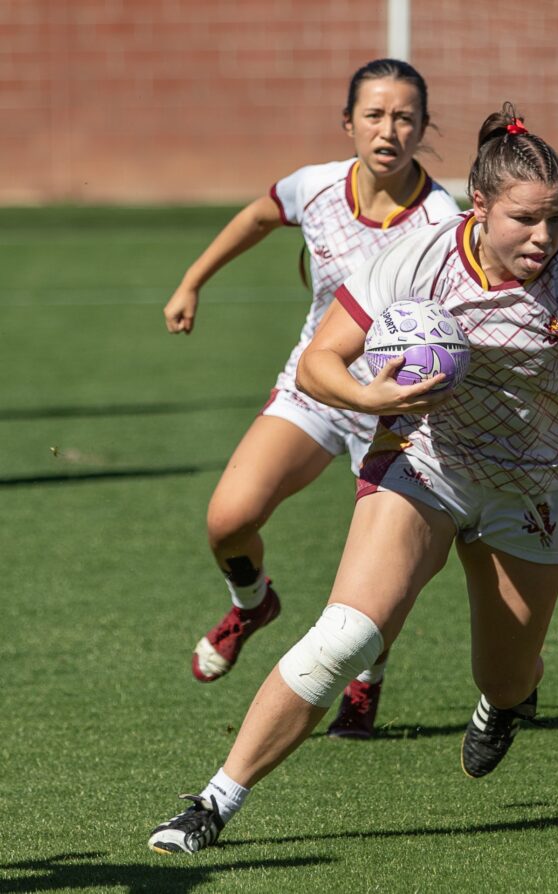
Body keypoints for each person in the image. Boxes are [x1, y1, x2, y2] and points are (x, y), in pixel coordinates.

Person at [146, 105, 558, 854]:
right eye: (525, 219)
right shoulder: (416, 260)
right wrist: (370, 398)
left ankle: (505, 702)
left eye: (556, 218)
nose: (544, 237)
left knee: (507, 676)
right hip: (424, 465)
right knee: (345, 637)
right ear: (479, 207)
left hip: (536, 488)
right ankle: (213, 802)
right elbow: (322, 362)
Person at [161, 60, 461, 738]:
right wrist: (192, 281)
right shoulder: (317, 186)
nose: (390, 130)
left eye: (405, 117)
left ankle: (366, 678)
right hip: (319, 384)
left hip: (398, 410)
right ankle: (252, 603)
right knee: (228, 520)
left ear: (423, 128)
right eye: (376, 115)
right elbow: (259, 215)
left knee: (385, 573)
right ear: (348, 123)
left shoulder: (444, 221)